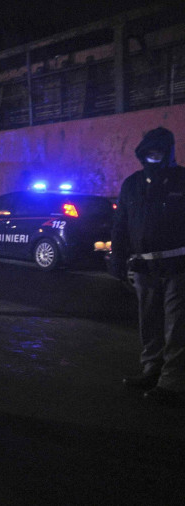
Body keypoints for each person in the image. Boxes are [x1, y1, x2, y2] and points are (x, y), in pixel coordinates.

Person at [110, 126, 185, 408]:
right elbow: (120, 227)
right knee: (149, 322)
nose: (153, 155)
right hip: (144, 268)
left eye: (159, 150)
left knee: (176, 327)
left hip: (178, 266)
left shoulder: (182, 180)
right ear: (142, 152)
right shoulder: (132, 184)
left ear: (168, 151)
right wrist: (118, 260)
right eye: (149, 151)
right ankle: (151, 370)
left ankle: (172, 382)